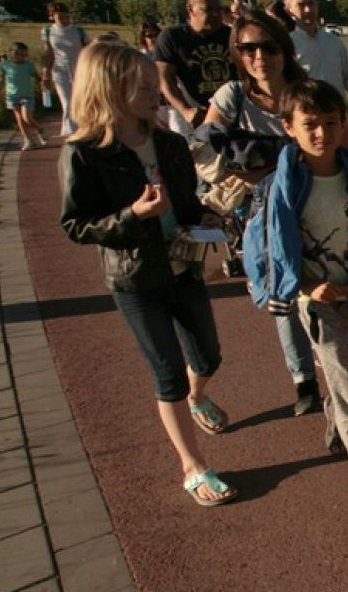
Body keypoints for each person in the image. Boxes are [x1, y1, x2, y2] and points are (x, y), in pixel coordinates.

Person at [58, 43, 236, 506]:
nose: (154, 94)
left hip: (184, 268)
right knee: (167, 372)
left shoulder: (170, 144)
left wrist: (207, 219)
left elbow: (188, 204)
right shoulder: (84, 154)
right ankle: (193, 466)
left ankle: (198, 397)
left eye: (151, 84)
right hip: (135, 280)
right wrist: (133, 216)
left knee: (208, 357)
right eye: (140, 87)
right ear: (108, 91)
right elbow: (76, 225)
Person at [242, 79, 348, 513]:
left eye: (331, 122)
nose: (322, 133)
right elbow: (267, 248)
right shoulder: (279, 187)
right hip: (316, 301)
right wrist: (304, 286)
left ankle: (337, 410)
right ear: (288, 127)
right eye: (310, 124)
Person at [202, 11, 323, 417]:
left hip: (313, 205)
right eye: (248, 48)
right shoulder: (232, 97)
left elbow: (340, 145)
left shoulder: (306, 93)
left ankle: (336, 357)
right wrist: (253, 172)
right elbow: (204, 151)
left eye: (268, 47)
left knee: (325, 288)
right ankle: (304, 381)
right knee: (282, 289)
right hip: (261, 215)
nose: (259, 57)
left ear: (284, 50)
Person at [281, 0, 348, 141]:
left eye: (311, 3)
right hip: (307, 125)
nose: (308, 9)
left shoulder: (334, 42)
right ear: (288, 10)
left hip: (337, 120)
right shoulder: (287, 45)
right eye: (301, 5)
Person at [153, 0, 232, 133]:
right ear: (190, 9)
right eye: (208, 10)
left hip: (234, 114)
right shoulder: (173, 37)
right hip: (198, 118)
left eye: (218, 9)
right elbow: (165, 78)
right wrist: (186, 110)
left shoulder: (232, 35)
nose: (215, 14)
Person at [41, 2, 88, 138]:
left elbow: (88, 49)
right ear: (52, 17)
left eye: (66, 16)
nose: (64, 20)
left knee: (80, 100)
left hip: (79, 69)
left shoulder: (78, 31)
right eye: (60, 17)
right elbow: (48, 53)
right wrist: (46, 73)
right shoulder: (48, 31)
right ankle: (69, 132)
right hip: (59, 70)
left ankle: (83, 128)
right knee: (67, 102)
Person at [0, 42, 47, 149]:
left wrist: (43, 85)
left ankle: (40, 129)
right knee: (20, 119)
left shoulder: (28, 65)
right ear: (11, 53)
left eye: (23, 55)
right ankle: (28, 140)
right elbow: (1, 80)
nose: (20, 57)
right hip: (12, 96)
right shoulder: (5, 65)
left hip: (27, 95)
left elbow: (36, 77)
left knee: (26, 117)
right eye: (17, 54)